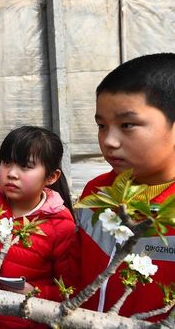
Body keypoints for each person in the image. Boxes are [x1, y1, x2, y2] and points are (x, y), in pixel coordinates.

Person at [74, 53, 175, 321]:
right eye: (101, 125)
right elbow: (75, 267)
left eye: (127, 125)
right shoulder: (97, 192)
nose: (109, 141)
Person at [0, 126, 77, 329]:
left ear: (51, 177)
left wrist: (34, 292)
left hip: (25, 321)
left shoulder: (60, 225)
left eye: (25, 166)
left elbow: (69, 288)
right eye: (6, 163)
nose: (12, 174)